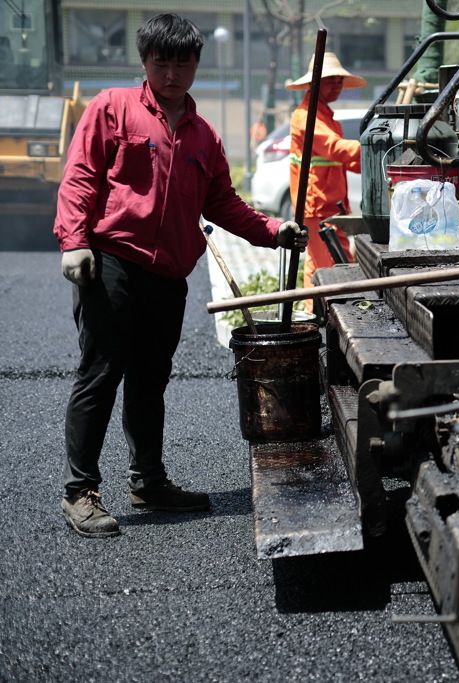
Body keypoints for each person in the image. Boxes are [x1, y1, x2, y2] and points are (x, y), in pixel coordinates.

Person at [53, 13, 308, 539]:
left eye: (182, 61)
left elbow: (224, 204)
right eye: (161, 61)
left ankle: (149, 482)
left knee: (150, 380)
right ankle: (80, 491)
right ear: (145, 62)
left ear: (195, 64)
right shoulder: (112, 108)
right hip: (112, 262)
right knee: (101, 374)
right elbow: (80, 175)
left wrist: (274, 230)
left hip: (168, 275)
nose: (172, 71)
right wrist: (74, 241)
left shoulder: (203, 135)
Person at [286, 52, 365, 293]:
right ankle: (320, 318)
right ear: (313, 84)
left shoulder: (326, 117)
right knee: (329, 271)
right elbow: (335, 148)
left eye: (339, 81)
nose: (337, 87)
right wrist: (373, 153)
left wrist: (375, 166)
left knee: (327, 267)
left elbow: (342, 161)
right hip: (318, 206)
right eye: (331, 81)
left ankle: (318, 317)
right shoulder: (306, 117)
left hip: (331, 205)